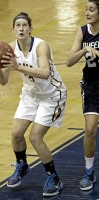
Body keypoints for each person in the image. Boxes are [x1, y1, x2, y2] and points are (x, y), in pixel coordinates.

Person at [0, 12, 67, 197]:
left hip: (52, 96)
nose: (21, 28)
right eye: (17, 25)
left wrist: (18, 67)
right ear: (13, 30)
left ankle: (54, 179)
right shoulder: (9, 49)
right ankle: (22, 165)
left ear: (30, 29)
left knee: (35, 138)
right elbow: (3, 81)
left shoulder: (41, 46)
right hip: (30, 95)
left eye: (24, 25)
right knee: (16, 133)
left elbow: (44, 73)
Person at [66, 0, 99, 191]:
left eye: (91, 9)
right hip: (91, 87)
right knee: (90, 130)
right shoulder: (82, 31)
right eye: (86, 9)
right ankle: (88, 171)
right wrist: (84, 49)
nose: (87, 13)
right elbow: (69, 61)